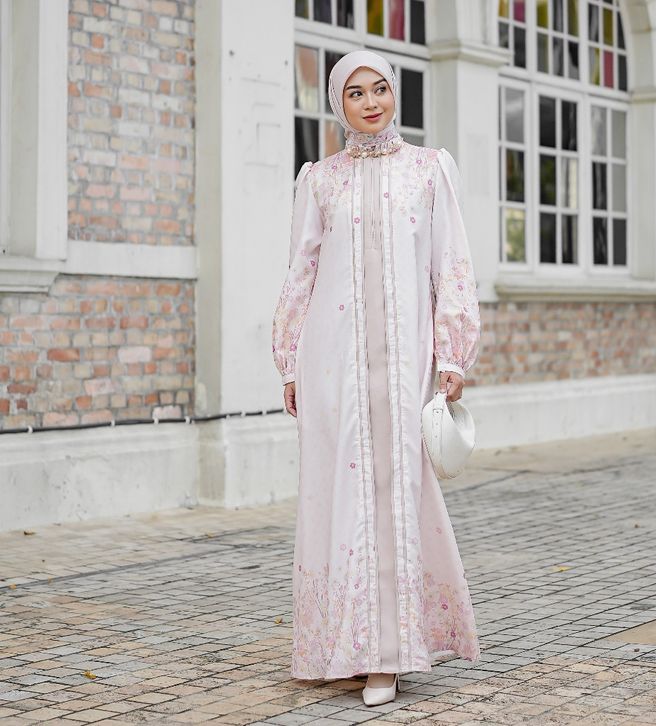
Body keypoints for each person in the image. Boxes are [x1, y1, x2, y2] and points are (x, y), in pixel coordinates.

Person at [272, 49, 481, 707]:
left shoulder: (428, 169)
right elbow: (301, 271)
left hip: (403, 363)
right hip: (331, 363)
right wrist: (290, 361)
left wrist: (452, 356)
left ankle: (387, 655)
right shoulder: (320, 180)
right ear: (339, 105)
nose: (370, 102)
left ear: (395, 94)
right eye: (355, 92)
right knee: (336, 496)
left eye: (380, 88)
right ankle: (341, 646)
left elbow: (451, 265)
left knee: (393, 493)